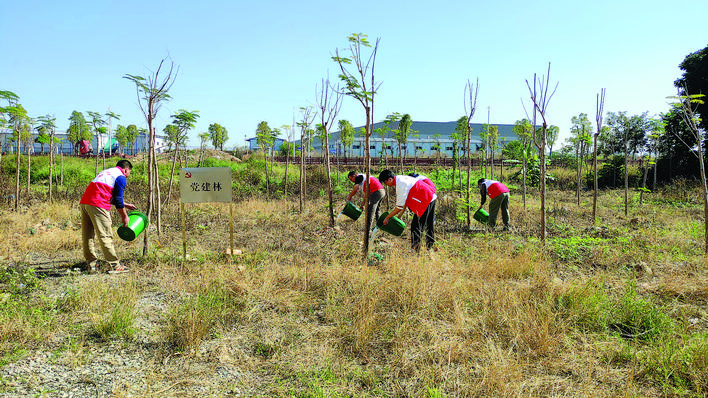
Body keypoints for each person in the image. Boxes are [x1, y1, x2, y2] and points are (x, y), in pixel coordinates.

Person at [79, 159, 136, 273]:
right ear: (126, 169)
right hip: (98, 205)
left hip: (85, 203)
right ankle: (114, 265)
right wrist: (124, 216)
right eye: (129, 172)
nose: (128, 175)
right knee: (105, 234)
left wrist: (126, 205)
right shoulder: (121, 177)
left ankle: (91, 263)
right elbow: (118, 199)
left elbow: (103, 192)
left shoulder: (106, 172)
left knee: (88, 235)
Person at [378, 169, 437, 253]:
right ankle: (429, 247)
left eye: (385, 182)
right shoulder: (400, 179)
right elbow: (404, 203)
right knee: (429, 223)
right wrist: (399, 217)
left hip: (425, 199)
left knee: (416, 227)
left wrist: (387, 217)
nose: (385, 185)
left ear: (390, 179)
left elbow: (399, 207)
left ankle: (415, 251)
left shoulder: (400, 184)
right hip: (430, 197)